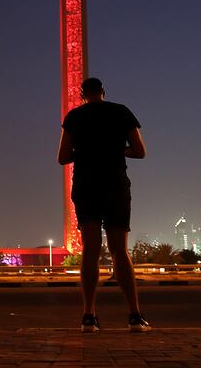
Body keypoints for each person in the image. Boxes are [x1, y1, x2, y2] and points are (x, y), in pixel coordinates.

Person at [57, 77, 151, 333]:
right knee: (120, 250)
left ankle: (89, 316)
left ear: (82, 94)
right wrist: (116, 151)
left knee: (90, 249)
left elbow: (63, 156)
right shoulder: (121, 112)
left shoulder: (74, 117)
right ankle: (134, 316)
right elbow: (140, 150)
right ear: (103, 92)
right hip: (115, 185)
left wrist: (86, 153)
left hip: (86, 186)